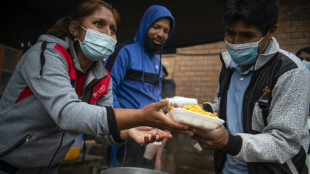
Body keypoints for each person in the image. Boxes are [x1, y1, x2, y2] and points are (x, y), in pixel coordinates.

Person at [0, 1, 192, 173]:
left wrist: (128, 131)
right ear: (75, 28)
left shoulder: (102, 77)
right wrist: (138, 116)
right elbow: (68, 113)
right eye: (99, 24)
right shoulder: (48, 56)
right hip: (9, 162)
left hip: (49, 166)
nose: (107, 33)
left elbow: (100, 132)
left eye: (113, 29)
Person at [191, 0, 310, 173]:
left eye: (246, 36)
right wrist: (201, 110)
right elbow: (229, 107)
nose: (236, 43)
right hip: (227, 168)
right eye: (230, 33)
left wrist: (229, 143)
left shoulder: (290, 72)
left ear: (271, 31)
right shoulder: (229, 66)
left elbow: (284, 141)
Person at [104, 5, 175, 169]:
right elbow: (107, 90)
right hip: (124, 133)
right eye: (156, 27)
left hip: (150, 135)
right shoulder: (124, 51)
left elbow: (155, 97)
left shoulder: (157, 63)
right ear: (145, 25)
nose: (160, 34)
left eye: (166, 30)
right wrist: (120, 125)